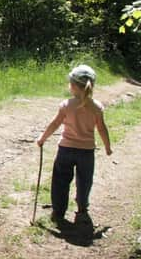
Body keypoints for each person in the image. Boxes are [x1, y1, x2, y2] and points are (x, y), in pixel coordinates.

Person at [36, 64, 113, 224]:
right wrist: (107, 147)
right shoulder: (96, 107)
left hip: (65, 149)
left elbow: (55, 123)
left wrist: (42, 138)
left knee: (60, 181)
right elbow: (102, 129)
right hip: (87, 152)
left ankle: (58, 211)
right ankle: (82, 208)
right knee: (85, 181)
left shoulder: (66, 105)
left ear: (72, 86)